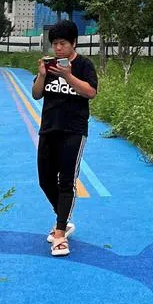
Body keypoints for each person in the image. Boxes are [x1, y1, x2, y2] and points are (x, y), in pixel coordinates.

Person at [31, 19, 98, 257]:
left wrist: (68, 76)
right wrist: (41, 75)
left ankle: (60, 234)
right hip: (49, 129)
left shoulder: (84, 65)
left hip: (74, 131)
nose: (58, 48)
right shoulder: (49, 67)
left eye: (63, 43)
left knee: (66, 180)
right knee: (45, 179)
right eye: (55, 44)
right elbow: (37, 95)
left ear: (73, 44)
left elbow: (91, 92)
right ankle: (64, 217)